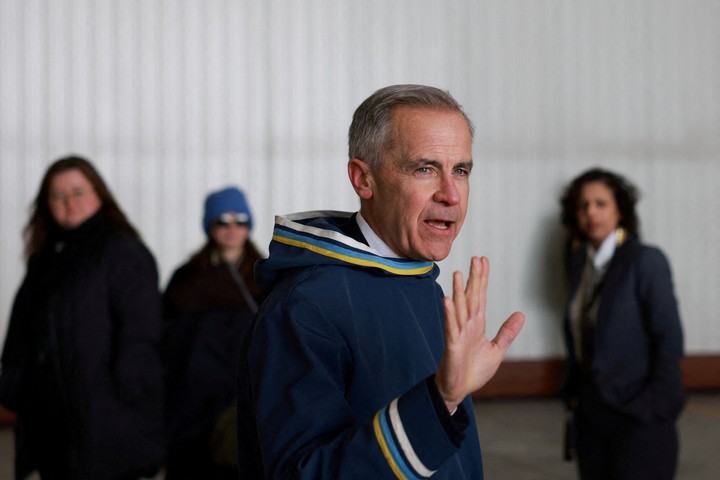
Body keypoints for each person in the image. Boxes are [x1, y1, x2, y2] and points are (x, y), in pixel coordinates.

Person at [236, 84, 526, 479]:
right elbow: (302, 474)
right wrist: (440, 400)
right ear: (363, 180)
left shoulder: (421, 282)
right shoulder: (306, 306)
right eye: (425, 168)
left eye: (461, 170)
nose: (452, 195)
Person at [0, 156, 165, 479]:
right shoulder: (45, 259)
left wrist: (124, 396)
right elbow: (20, 332)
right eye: (58, 196)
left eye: (78, 192)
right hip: (53, 430)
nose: (69, 203)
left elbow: (141, 334)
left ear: (98, 194)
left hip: (105, 428)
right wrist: (13, 383)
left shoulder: (121, 252)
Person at [559, 168, 685, 480]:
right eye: (583, 205)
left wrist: (654, 407)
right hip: (592, 414)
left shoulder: (646, 261)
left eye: (601, 203)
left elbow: (669, 339)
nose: (591, 212)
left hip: (638, 414)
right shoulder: (578, 262)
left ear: (620, 211)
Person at [163, 186, 264, 479]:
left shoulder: (266, 275)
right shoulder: (187, 277)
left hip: (241, 399)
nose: (232, 229)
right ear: (210, 225)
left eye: (240, 220)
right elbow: (167, 337)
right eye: (223, 221)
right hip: (191, 404)